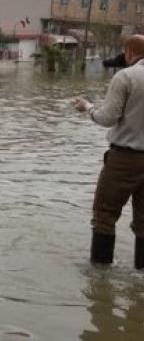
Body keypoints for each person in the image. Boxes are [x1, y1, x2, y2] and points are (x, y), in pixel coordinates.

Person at [74, 34, 144, 268]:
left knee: (105, 215)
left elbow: (107, 118)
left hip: (125, 158)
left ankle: (100, 278)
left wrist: (88, 107)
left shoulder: (125, 76)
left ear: (130, 52)